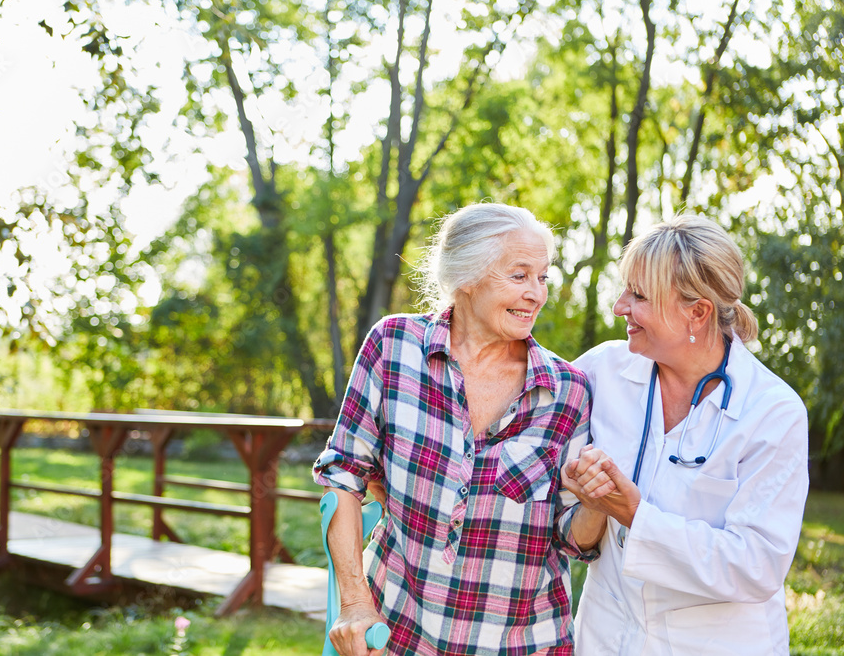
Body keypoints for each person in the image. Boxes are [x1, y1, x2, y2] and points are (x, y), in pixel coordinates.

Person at [313, 203, 606, 656]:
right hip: (400, 632)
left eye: (542, 277)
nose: (536, 293)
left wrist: (596, 502)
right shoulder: (394, 348)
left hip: (525, 644)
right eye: (519, 275)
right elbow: (343, 479)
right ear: (466, 276)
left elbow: (572, 537)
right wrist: (354, 603)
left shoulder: (566, 390)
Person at [561, 215, 809, 655]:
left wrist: (636, 513)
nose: (620, 306)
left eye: (639, 296)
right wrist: (592, 505)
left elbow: (756, 565)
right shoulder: (600, 372)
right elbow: (565, 516)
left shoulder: (772, 411)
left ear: (697, 312)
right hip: (605, 636)